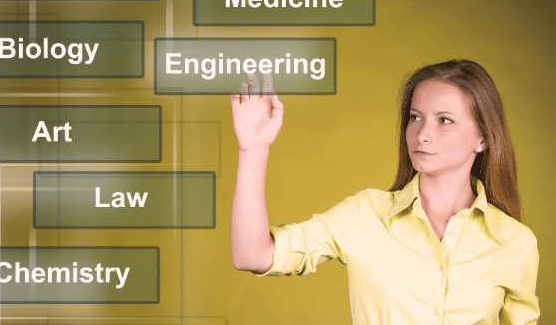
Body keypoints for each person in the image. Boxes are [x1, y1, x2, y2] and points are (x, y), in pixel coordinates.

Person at [229, 60, 539, 324]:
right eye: (416, 118)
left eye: (445, 120)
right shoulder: (365, 214)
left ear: (483, 137)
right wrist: (253, 149)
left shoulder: (515, 243)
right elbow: (252, 255)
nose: (423, 134)